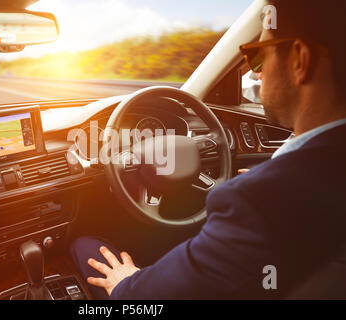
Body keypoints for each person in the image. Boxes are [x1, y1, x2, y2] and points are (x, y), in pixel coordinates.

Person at [70, 0, 346, 299]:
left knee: (83, 245)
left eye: (257, 57)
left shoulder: (263, 200)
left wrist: (126, 285)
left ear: (299, 61)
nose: (255, 74)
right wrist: (265, 178)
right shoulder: (298, 182)